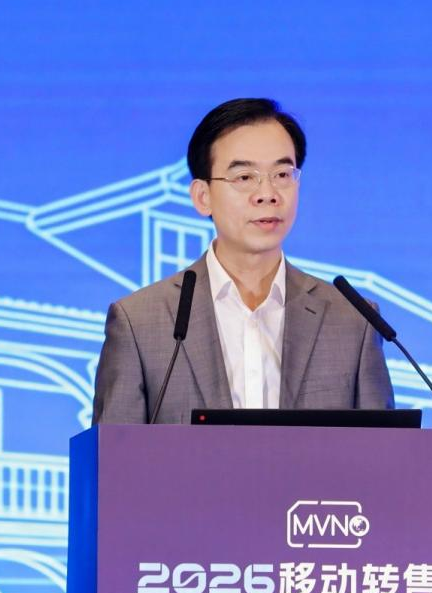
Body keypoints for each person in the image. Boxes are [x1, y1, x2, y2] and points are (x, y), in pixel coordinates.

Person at [92, 97, 393, 424]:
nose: (268, 193)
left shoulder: (353, 321)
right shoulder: (140, 323)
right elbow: (113, 453)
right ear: (202, 197)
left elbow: (382, 451)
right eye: (245, 177)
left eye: (282, 174)